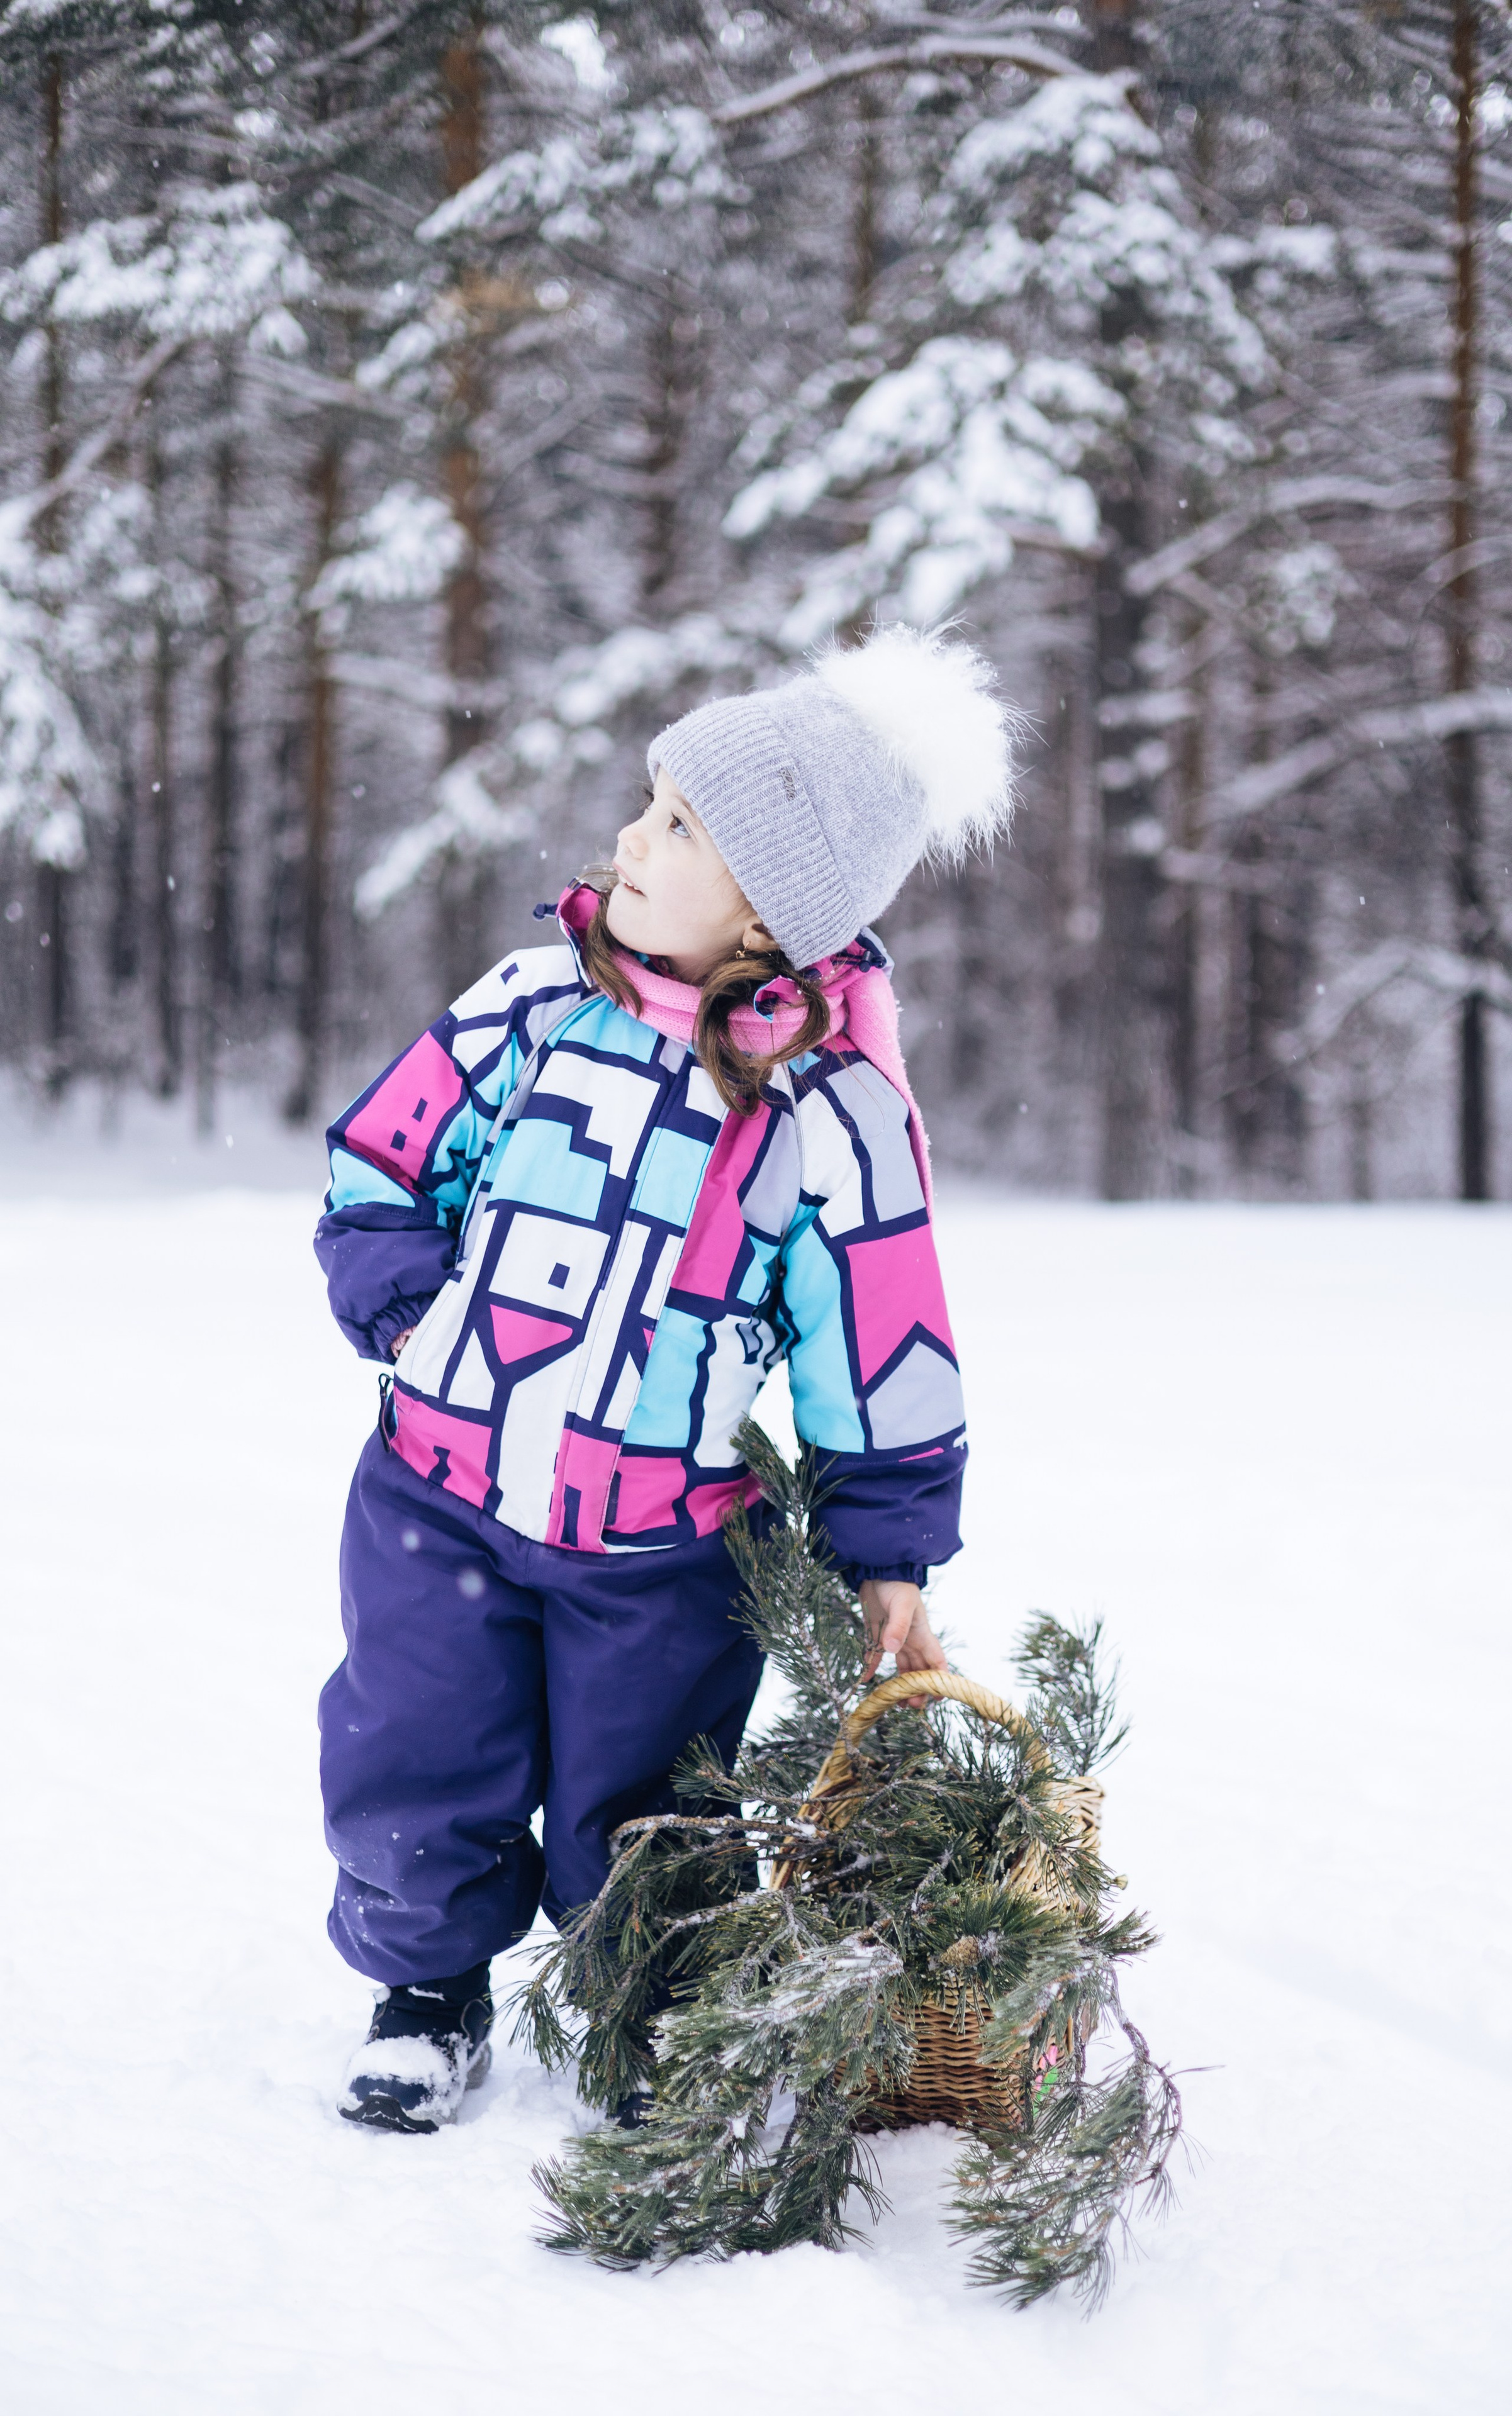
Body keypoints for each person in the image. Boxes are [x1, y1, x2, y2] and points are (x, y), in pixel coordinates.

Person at [315, 624, 1015, 2132]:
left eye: (681, 827)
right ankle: (425, 1994)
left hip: (663, 1546)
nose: (632, 837)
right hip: (437, 1491)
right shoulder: (528, 1005)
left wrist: (888, 1551)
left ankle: (650, 2016)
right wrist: (409, 1311)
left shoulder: (830, 1115)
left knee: (654, 1814)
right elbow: (382, 1156)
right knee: (414, 1753)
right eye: (649, 803)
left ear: (773, 912)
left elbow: (881, 1336)